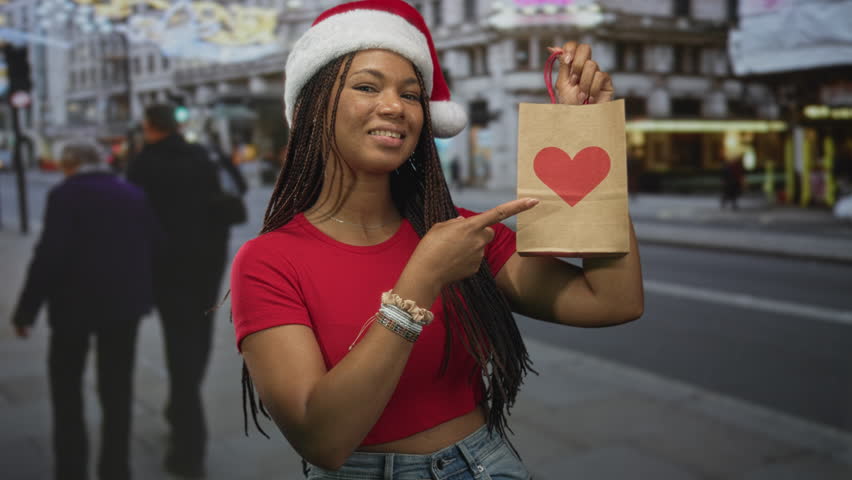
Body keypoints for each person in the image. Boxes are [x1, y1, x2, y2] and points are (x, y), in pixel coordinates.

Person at [230, 1, 643, 478]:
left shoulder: (463, 233)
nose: (395, 107)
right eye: (367, 86)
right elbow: (322, 440)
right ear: (308, 108)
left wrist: (587, 133)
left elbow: (613, 302)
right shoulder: (266, 261)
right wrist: (419, 282)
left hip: (488, 464)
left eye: (411, 95)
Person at [11, 140, 159, 480]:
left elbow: (49, 256)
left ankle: (71, 467)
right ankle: (115, 469)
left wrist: (26, 312)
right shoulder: (132, 193)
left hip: (71, 308)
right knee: (117, 392)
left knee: (66, 391)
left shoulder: (65, 195)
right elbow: (155, 242)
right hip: (123, 308)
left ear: (69, 165)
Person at [127, 104, 227, 477]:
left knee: (179, 349)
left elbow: (133, 221)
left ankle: (189, 444)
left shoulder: (143, 163)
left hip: (168, 271)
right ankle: (180, 406)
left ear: (150, 127)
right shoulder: (201, 155)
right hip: (207, 267)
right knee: (197, 342)